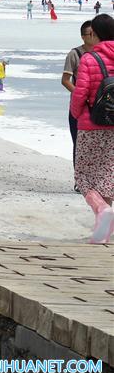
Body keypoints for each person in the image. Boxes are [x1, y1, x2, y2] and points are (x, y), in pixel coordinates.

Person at [69, 14, 114, 243]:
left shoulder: (89, 58)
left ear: (94, 34)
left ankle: (102, 209)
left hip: (91, 124)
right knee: (107, 174)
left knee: (83, 175)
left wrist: (77, 114)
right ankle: (102, 232)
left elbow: (81, 92)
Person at [62, 20, 98, 164]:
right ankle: (78, 174)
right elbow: (65, 80)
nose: (94, 36)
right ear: (83, 37)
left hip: (99, 106)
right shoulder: (75, 54)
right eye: (90, 34)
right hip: (79, 106)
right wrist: (80, 94)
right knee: (78, 143)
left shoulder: (102, 53)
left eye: (95, 33)